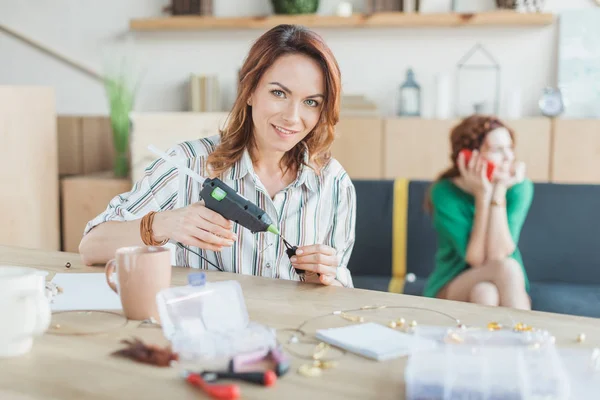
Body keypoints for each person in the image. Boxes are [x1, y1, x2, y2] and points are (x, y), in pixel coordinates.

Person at [79, 24, 356, 288]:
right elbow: (91, 247)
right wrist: (164, 224)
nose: (293, 117)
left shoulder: (333, 183)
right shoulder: (186, 164)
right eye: (278, 93)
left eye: (311, 102)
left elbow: (337, 291)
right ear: (249, 91)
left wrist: (324, 279)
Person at [423, 115, 533, 310]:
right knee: (507, 268)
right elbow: (476, 259)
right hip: (454, 283)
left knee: (485, 293)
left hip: (505, 285)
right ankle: (524, 337)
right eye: (498, 150)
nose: (509, 157)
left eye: (510, 148)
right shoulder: (444, 193)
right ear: (469, 156)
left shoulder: (519, 187)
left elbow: (498, 254)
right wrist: (483, 196)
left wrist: (498, 189)